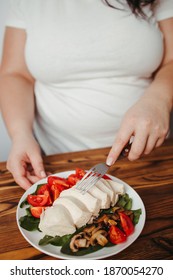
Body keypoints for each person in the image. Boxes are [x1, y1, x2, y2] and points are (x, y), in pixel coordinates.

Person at [0, 0, 173, 190]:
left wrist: (159, 99)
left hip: (151, 155)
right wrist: (20, 134)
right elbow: (15, 74)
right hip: (56, 160)